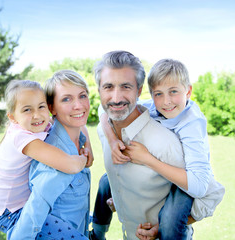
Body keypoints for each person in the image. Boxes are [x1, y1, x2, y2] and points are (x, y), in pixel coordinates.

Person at [92, 54, 225, 240]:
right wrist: (112, 139)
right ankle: (97, 232)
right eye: (158, 94)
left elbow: (202, 187)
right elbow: (106, 109)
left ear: (188, 92)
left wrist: (148, 159)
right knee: (106, 181)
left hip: (191, 177)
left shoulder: (190, 125)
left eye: (173, 92)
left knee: (170, 220)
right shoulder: (153, 107)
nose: (166, 101)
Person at [93, 50, 187, 240]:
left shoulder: (163, 142)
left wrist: (163, 225)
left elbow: (206, 194)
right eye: (108, 87)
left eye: (126, 87)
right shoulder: (104, 131)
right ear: (99, 91)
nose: (116, 97)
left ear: (139, 90)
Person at [0, 79, 91, 235]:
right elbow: (71, 166)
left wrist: (87, 144)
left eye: (41, 106)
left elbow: (77, 121)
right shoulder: (22, 138)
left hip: (14, 206)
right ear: (13, 117)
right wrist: (84, 157)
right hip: (10, 213)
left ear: (48, 107)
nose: (37, 115)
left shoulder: (37, 123)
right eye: (27, 110)